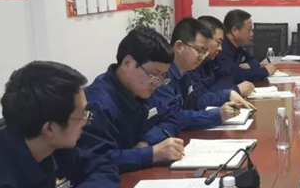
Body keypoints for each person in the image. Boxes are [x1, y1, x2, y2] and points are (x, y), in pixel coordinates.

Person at [78, 27, 184, 173]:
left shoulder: (145, 87)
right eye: (154, 74)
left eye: (162, 76)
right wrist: (151, 154)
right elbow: (96, 160)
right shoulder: (97, 104)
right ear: (128, 63)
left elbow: (172, 119)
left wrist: (146, 142)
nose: (157, 83)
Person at [144, 18, 252, 145]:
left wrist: (226, 94)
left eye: (205, 51)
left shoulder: (184, 71)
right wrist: (217, 115)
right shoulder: (162, 74)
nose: (203, 56)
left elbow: (195, 102)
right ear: (179, 46)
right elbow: (175, 117)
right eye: (200, 50)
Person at [191, 15, 255, 98]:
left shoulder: (212, 60)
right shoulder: (191, 65)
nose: (220, 48)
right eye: (218, 42)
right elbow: (200, 99)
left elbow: (228, 77)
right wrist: (235, 90)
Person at [215, 9, 277, 83]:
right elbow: (235, 75)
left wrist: (249, 65)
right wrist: (265, 71)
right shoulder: (221, 49)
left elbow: (254, 60)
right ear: (234, 30)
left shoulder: (237, 47)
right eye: (249, 30)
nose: (252, 34)